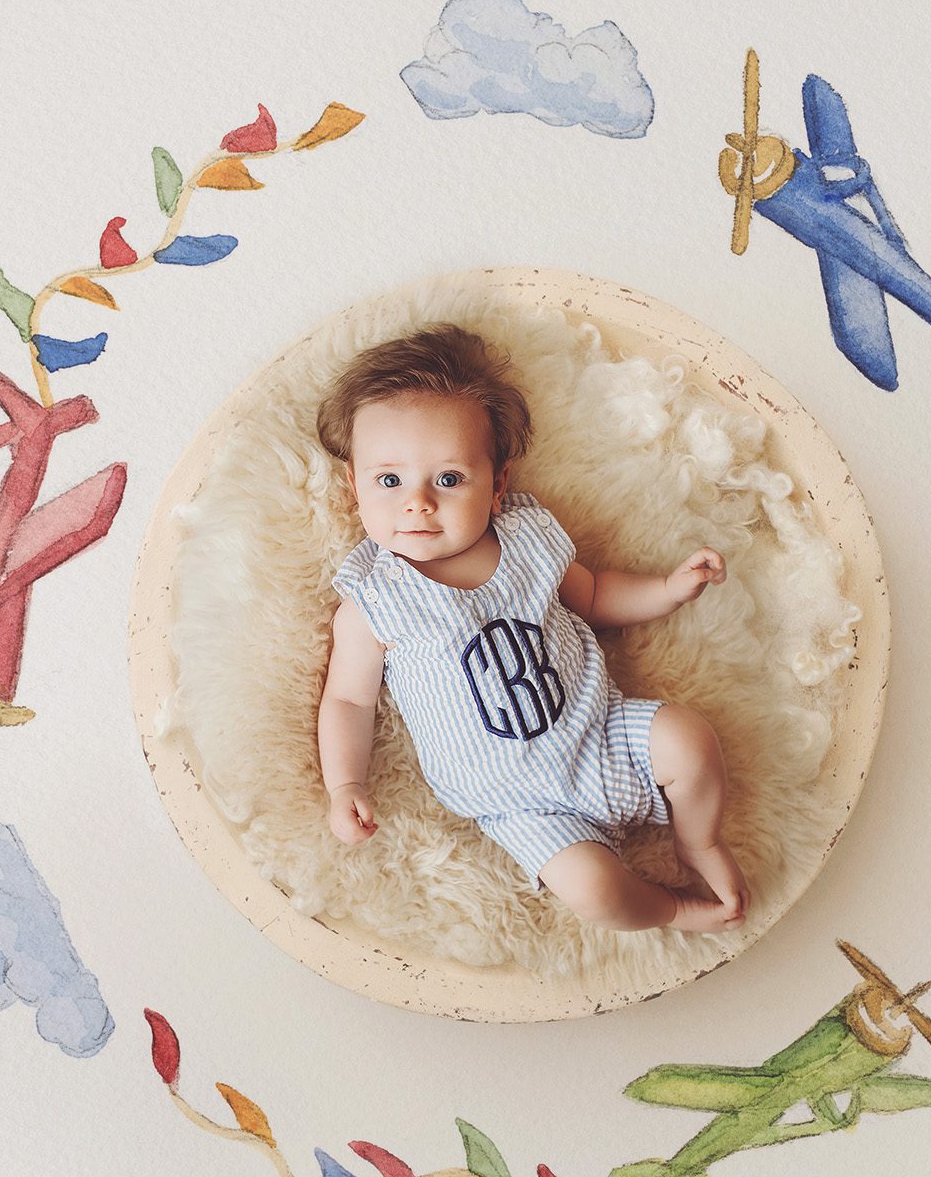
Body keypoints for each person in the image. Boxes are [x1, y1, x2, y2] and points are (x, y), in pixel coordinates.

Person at [315, 323, 750, 933]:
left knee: (690, 737)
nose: (417, 503)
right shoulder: (373, 599)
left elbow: (595, 594)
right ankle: (672, 909)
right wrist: (346, 784)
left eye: (448, 479)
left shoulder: (525, 541)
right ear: (353, 487)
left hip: (602, 735)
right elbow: (349, 699)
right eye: (389, 480)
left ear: (497, 487)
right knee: (595, 889)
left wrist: (668, 589)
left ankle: (697, 842)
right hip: (520, 803)